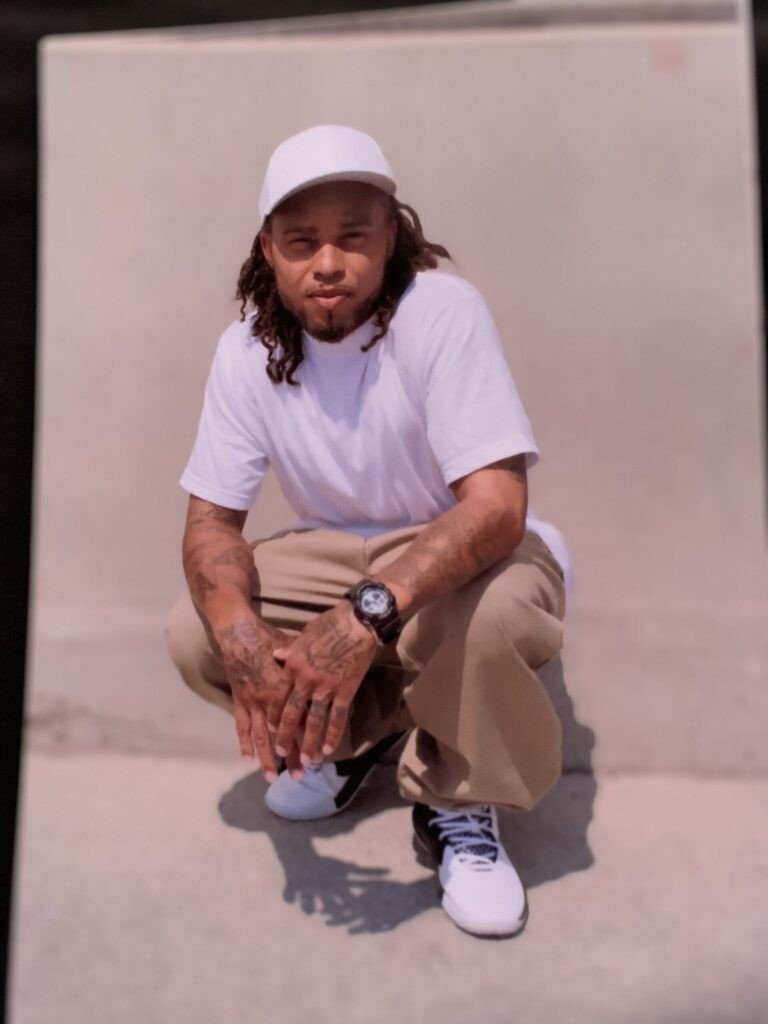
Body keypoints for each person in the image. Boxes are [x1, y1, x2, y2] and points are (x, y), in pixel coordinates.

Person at [165, 124, 570, 938]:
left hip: (461, 547)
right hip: (331, 551)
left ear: (392, 235)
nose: (327, 263)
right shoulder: (245, 350)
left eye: (353, 237)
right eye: (302, 241)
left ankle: (461, 801)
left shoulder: (441, 312)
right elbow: (211, 524)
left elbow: (497, 506)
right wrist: (241, 638)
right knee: (197, 627)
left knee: (489, 618)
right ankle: (350, 740)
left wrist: (362, 620)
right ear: (269, 250)